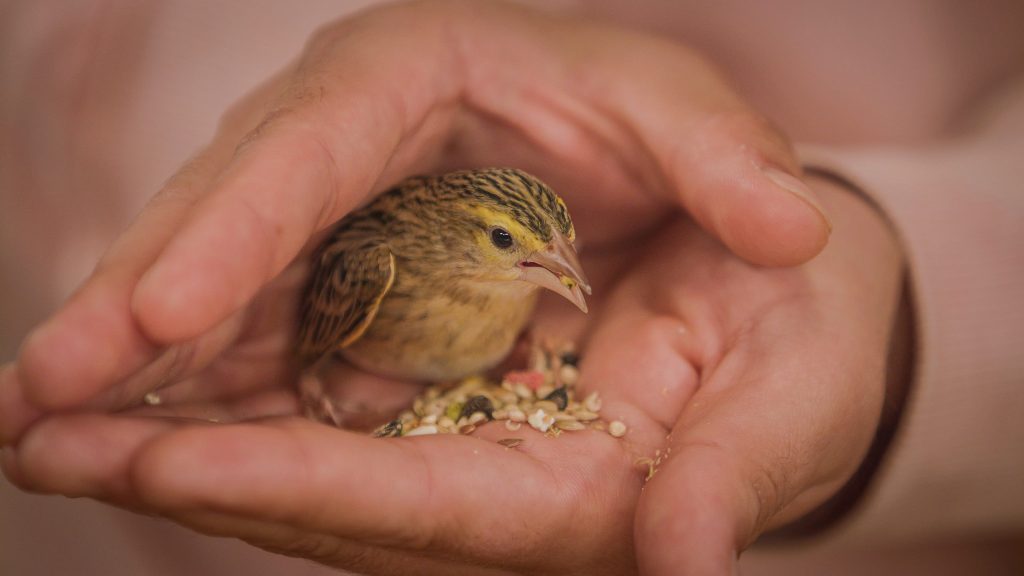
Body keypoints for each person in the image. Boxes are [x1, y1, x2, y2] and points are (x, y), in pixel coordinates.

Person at [1, 1, 1022, 574]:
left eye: (553, 253)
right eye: (511, 246)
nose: (553, 278)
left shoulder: (531, 297)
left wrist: (914, 296)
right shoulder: (377, 273)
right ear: (455, 237)